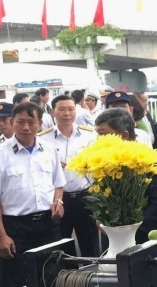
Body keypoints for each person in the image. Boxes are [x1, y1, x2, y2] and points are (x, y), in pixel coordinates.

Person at [0, 102, 66, 287]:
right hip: (15, 228)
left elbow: (58, 184)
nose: (26, 127)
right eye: (21, 122)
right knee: (16, 284)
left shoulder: (49, 150)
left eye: (31, 122)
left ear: (40, 123)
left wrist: (59, 201)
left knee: (52, 278)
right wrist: (1, 235)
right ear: (12, 123)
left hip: (48, 225)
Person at [94, 108, 157, 244]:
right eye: (97, 134)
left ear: (123, 135)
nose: (98, 139)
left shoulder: (152, 164)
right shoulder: (103, 165)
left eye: (102, 134)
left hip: (143, 243)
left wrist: (127, 231)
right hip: (112, 242)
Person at [37, 94, 99, 257]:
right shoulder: (43, 139)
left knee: (90, 244)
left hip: (84, 196)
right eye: (62, 109)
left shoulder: (89, 135)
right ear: (53, 112)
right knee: (61, 245)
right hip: (58, 199)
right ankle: (65, 280)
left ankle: (92, 279)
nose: (67, 114)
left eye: (71, 109)